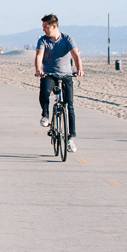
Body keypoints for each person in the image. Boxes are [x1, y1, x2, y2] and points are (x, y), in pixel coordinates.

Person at [34, 13, 82, 153]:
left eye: (46, 27)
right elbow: (39, 56)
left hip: (66, 75)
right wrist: (38, 70)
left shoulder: (67, 39)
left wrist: (79, 69)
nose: (43, 29)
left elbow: (75, 55)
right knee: (44, 91)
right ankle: (45, 115)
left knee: (70, 106)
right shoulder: (43, 40)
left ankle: (70, 139)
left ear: (54, 26)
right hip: (49, 74)